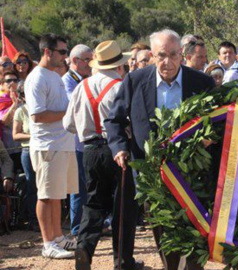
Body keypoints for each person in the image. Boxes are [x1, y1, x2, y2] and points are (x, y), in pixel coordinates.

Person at [105, 29, 215, 270]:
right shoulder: (135, 81)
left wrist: (210, 138)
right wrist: (119, 147)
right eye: (162, 55)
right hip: (152, 174)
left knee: (195, 230)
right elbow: (115, 120)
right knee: (163, 232)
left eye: (174, 54)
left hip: (193, 174)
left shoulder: (202, 82)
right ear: (152, 56)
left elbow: (218, 122)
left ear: (182, 53)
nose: (168, 62)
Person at [63, 40, 143, 270]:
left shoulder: (82, 86)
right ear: (120, 64)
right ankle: (123, 262)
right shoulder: (121, 86)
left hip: (89, 150)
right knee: (124, 206)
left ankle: (84, 249)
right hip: (118, 150)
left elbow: (68, 124)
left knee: (94, 203)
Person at [24, 33, 78, 259]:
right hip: (47, 145)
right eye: (63, 52)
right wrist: (69, 112)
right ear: (48, 52)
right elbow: (37, 116)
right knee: (46, 195)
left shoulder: (54, 74)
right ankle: (48, 243)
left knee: (56, 195)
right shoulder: (37, 78)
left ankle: (58, 238)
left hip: (62, 143)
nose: (66, 57)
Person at [62, 44, 93, 240]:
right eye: (88, 60)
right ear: (75, 61)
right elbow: (74, 105)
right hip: (74, 143)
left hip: (84, 142)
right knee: (78, 189)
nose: (91, 64)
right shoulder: (68, 81)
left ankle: (85, 226)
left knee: (86, 187)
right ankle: (76, 229)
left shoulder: (82, 79)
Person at [12, 85, 38, 232]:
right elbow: (15, 135)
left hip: (45, 149)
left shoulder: (43, 107)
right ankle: (34, 220)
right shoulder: (21, 111)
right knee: (31, 185)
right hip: (28, 150)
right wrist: (34, 136)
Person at [0, 71, 22, 173]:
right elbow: (4, 121)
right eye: (8, 80)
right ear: (2, 84)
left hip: (23, 148)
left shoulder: (25, 99)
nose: (12, 83)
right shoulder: (1, 101)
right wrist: (14, 104)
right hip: (8, 150)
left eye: (15, 80)